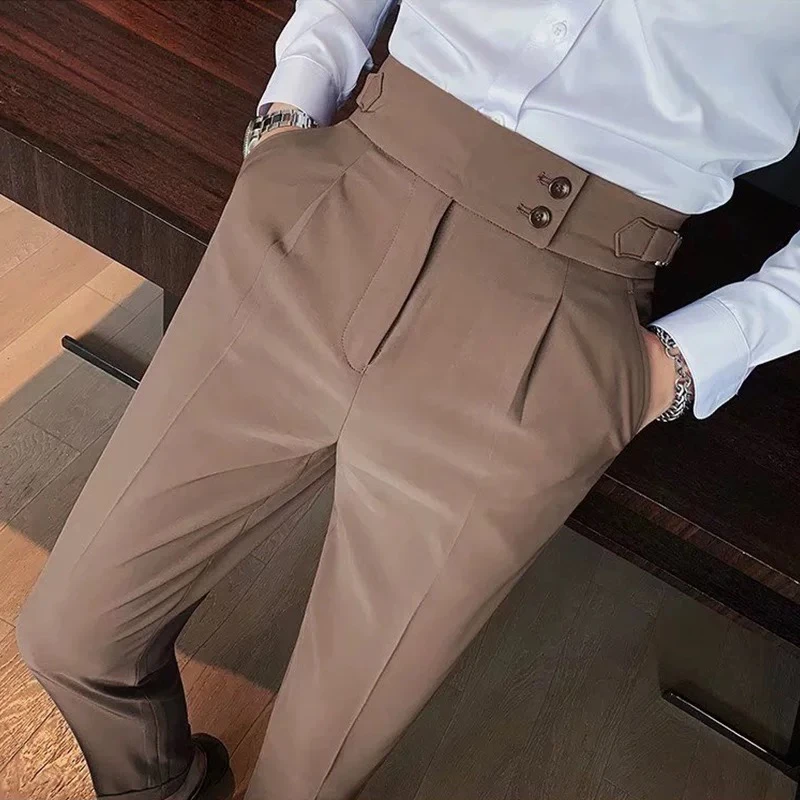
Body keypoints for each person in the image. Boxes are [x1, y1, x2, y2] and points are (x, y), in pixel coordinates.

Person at [16, 2, 800, 799]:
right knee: (72, 637)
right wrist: (292, 104)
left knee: (307, 782)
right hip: (343, 191)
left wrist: (685, 361)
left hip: (556, 319)